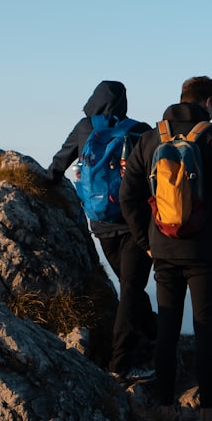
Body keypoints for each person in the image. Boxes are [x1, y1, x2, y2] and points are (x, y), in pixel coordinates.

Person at [119, 76, 212, 421]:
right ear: (207, 102)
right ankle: (207, 418)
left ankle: (167, 410)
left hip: (164, 250)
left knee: (168, 330)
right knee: (206, 330)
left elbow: (129, 196)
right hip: (204, 251)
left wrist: (146, 241)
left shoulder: (151, 137)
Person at [48, 80, 157, 383]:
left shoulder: (85, 127)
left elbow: (58, 164)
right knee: (131, 288)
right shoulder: (141, 130)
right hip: (137, 224)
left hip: (101, 224)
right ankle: (120, 364)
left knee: (129, 284)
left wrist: (47, 185)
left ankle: (151, 334)